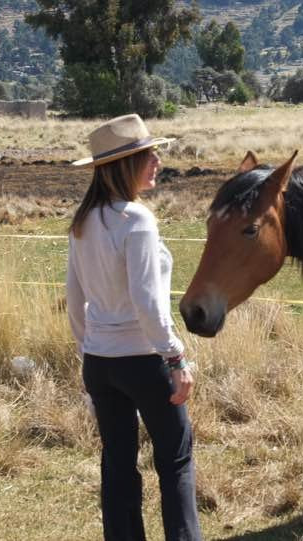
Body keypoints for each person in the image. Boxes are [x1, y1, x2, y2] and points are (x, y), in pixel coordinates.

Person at [66, 114, 201, 540]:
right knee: (175, 459)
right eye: (148, 154)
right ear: (126, 165)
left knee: (118, 463)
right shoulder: (137, 220)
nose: (158, 160)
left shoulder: (83, 221)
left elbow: (74, 298)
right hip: (144, 361)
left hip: (100, 362)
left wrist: (88, 349)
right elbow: (148, 302)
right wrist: (175, 356)